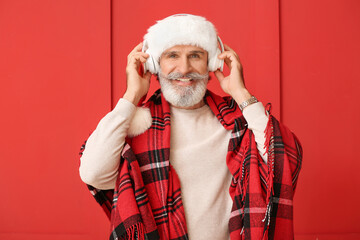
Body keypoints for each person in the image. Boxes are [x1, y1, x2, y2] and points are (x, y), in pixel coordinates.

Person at [79, 14, 302, 240]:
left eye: (195, 55)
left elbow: (285, 163)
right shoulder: (135, 125)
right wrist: (131, 96)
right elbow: (93, 173)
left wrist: (241, 94)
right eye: (172, 55)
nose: (184, 69)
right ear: (153, 64)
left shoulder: (240, 122)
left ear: (212, 62)